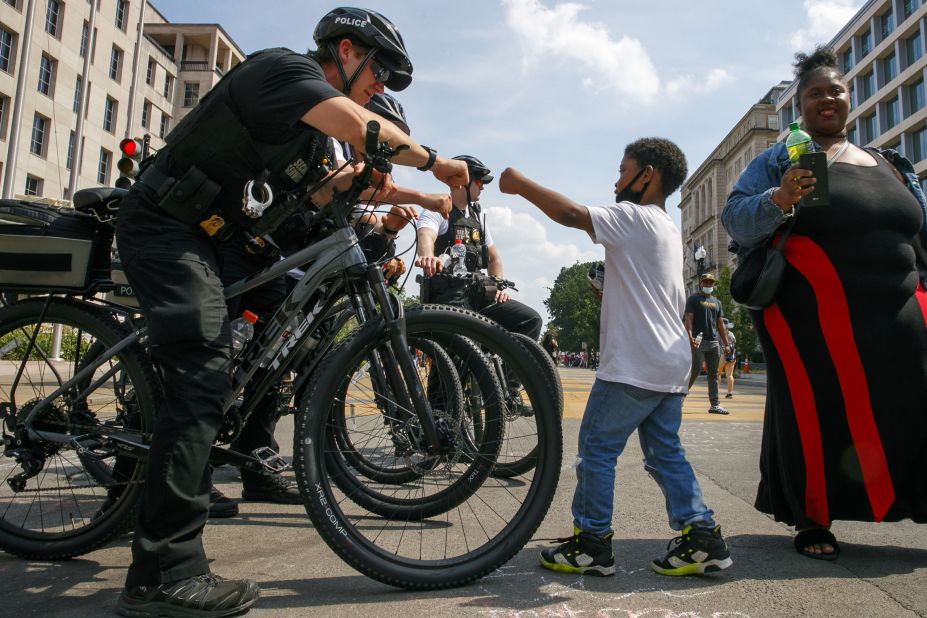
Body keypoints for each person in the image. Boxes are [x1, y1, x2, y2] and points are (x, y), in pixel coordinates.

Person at [113, 7, 468, 616]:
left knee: (281, 335)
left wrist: (398, 190)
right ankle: (160, 576)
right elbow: (364, 127)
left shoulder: (307, 132)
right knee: (202, 369)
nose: (380, 88)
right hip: (167, 228)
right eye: (379, 73)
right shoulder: (281, 73)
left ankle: (200, 459)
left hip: (223, 243)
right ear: (349, 51)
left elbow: (337, 184)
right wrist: (437, 164)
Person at [722, 46, 927, 561]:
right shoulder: (781, 158)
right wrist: (780, 198)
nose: (827, 99)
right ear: (802, 107)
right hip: (811, 315)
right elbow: (735, 219)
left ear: (848, 96)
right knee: (819, 412)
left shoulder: (893, 163)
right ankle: (814, 517)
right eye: (815, 93)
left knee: (915, 408)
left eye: (835, 89)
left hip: (901, 310)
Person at [499, 138, 732, 577]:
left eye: (623, 170)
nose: (616, 180)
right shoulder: (667, 229)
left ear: (648, 174)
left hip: (635, 362)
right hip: (669, 362)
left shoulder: (634, 216)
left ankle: (591, 543)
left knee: (596, 450)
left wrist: (520, 183)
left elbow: (571, 215)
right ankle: (702, 537)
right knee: (665, 454)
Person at [415, 155, 542, 343]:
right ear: (462, 182)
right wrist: (428, 257)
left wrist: (497, 287)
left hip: (479, 295)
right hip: (449, 299)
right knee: (455, 358)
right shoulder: (438, 209)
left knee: (530, 320)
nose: (482, 186)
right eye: (479, 181)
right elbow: (425, 236)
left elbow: (494, 258)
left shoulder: (477, 217)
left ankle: (506, 372)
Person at [684, 272, 731, 415]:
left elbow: (720, 324)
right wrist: (690, 337)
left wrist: (726, 343)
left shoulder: (717, 302)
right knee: (695, 370)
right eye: (706, 282)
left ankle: (715, 405)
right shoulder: (693, 299)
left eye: (711, 283)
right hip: (698, 342)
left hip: (713, 343)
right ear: (701, 283)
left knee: (714, 374)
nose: (708, 285)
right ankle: (679, 397)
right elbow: (688, 319)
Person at [717, 319, 737, 399]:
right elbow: (734, 345)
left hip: (722, 355)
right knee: (729, 375)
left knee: (717, 374)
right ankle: (729, 393)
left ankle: (715, 392)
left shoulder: (718, 333)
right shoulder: (731, 334)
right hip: (731, 356)